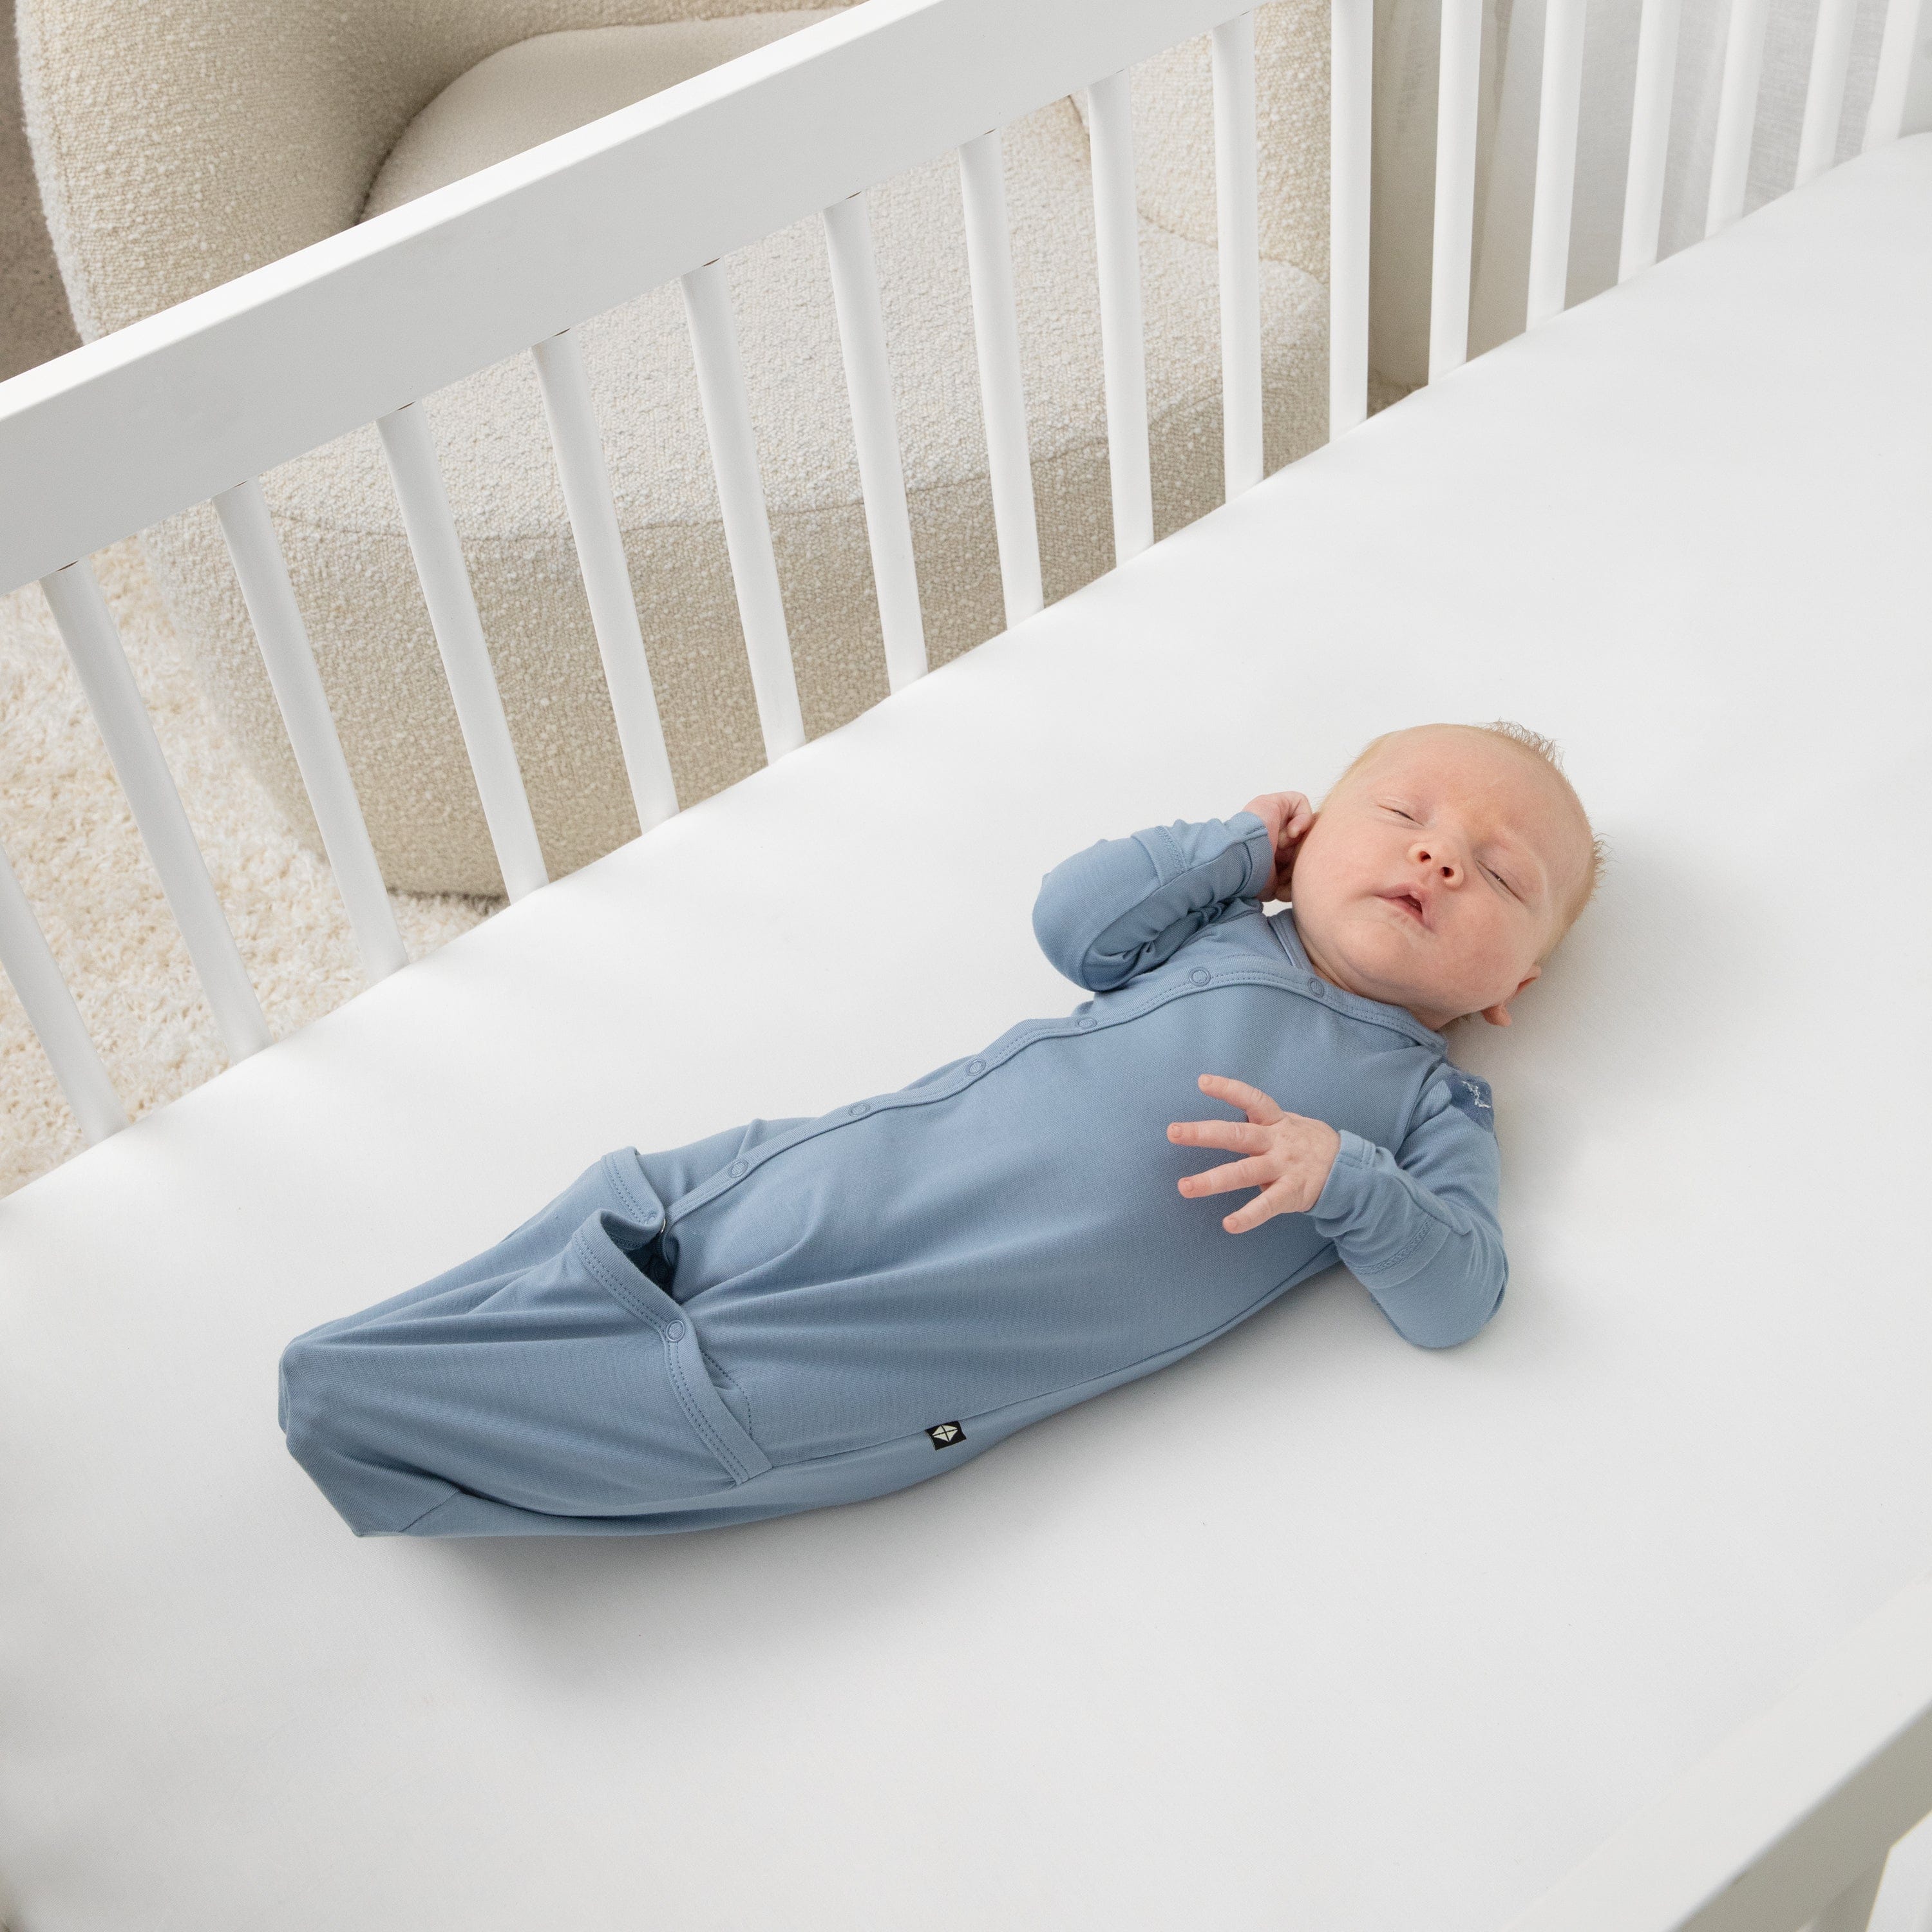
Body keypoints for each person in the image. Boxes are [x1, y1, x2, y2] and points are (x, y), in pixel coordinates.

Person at [279, 721, 1602, 1538]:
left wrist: (1347, 1182)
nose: (1440, 858)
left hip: (938, 1339)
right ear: (1308, 838)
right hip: (853, 1170)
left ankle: (380, 1417)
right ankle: (393, 1367)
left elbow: (1458, 1296)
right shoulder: (1218, 929)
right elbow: (1073, 927)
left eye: (1500, 875)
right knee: (653, 1219)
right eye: (1405, 815)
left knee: (713, 1405)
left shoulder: (1429, 1104)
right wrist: (1223, 850)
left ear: (1512, 989)